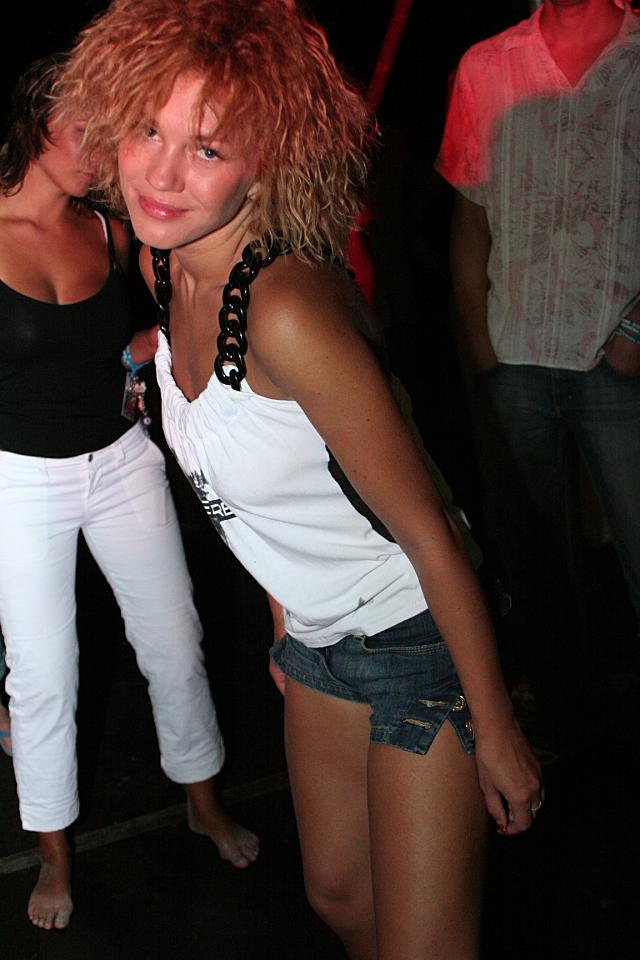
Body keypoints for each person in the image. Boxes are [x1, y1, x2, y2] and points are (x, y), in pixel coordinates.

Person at [62, 3, 542, 957]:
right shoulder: (164, 265)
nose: (161, 173)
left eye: (207, 149)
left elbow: (432, 533)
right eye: (149, 130)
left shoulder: (285, 312)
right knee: (339, 901)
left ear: (268, 161)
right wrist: (286, 619)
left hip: (416, 640)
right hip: (316, 640)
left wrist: (498, 731)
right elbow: (258, 486)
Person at [0, 54, 259, 933]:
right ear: (35, 122)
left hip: (121, 462)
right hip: (20, 481)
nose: (99, 148)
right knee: (45, 676)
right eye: (83, 128)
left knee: (175, 640)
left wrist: (147, 346)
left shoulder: (113, 229)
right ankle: (54, 855)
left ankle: (203, 802)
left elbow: (176, 307)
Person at [436, 0, 640, 733]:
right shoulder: (486, 66)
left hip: (620, 357)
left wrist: (636, 331)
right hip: (514, 355)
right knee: (534, 558)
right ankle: (562, 719)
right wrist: (479, 342)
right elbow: (469, 215)